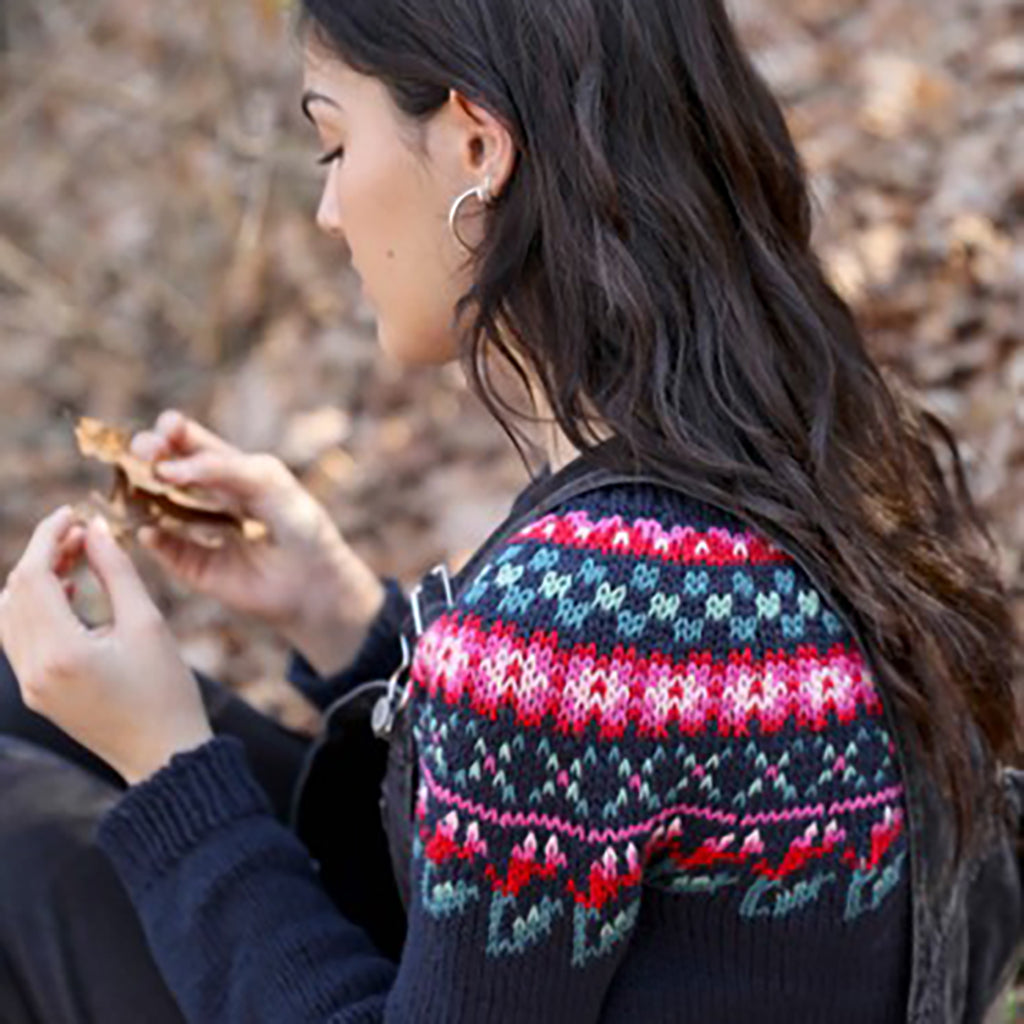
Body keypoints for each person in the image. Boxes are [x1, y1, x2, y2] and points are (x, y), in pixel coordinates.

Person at [0, 0, 1019, 1021]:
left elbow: (569, 707)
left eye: (334, 145)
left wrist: (168, 764)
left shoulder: (575, 611)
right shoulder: (798, 460)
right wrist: (348, 615)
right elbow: (611, 777)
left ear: (477, 146)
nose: (329, 214)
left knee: (22, 834)